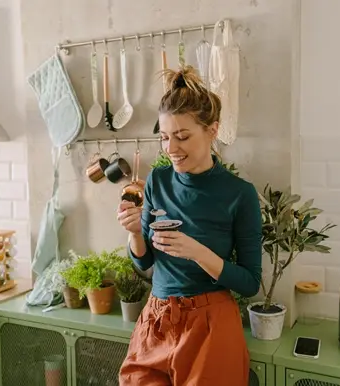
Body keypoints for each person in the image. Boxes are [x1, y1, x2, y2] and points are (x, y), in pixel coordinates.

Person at [117, 66, 263, 386]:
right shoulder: (158, 180)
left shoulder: (239, 195)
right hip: (157, 320)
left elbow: (251, 283)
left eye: (182, 137)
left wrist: (198, 252)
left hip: (210, 324)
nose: (171, 149)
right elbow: (144, 262)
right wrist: (134, 234)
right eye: (165, 137)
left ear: (212, 130)